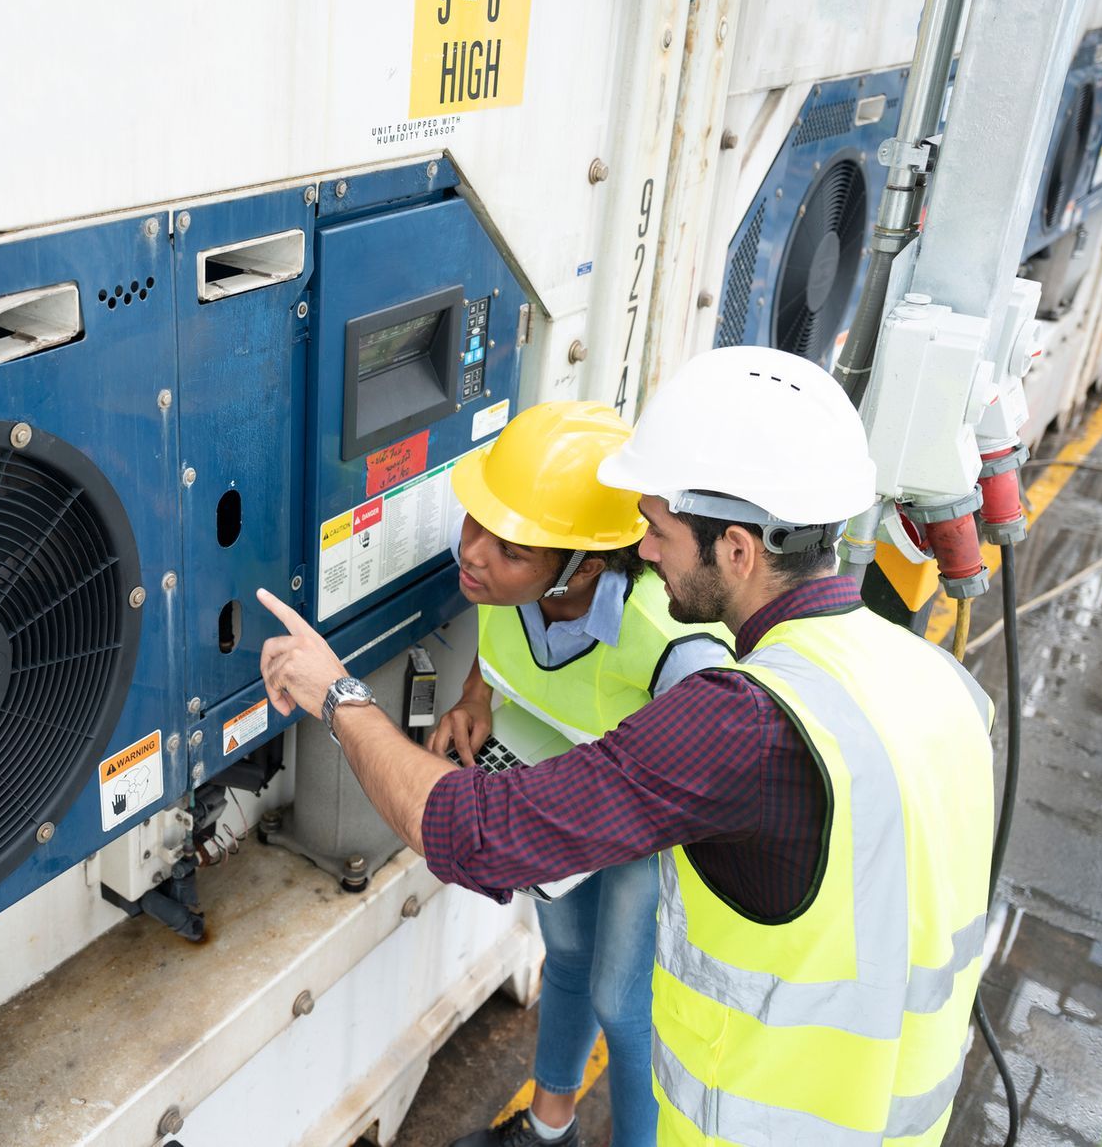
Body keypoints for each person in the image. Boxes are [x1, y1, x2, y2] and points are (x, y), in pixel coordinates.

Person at [258, 346, 995, 1146]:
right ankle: (549, 1125)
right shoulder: (942, 683)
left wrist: (337, 695)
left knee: (622, 995)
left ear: (739, 550)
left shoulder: (738, 719)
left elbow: (479, 833)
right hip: (893, 1122)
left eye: (660, 533)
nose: (641, 554)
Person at [431, 401, 729, 1147]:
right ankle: (548, 1126)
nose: (474, 553)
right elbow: (500, 637)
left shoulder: (672, 645)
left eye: (508, 547)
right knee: (565, 957)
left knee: (625, 1008)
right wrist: (475, 696)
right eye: (476, 524)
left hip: (650, 831)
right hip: (566, 806)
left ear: (586, 567)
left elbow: (715, 779)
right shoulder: (513, 586)